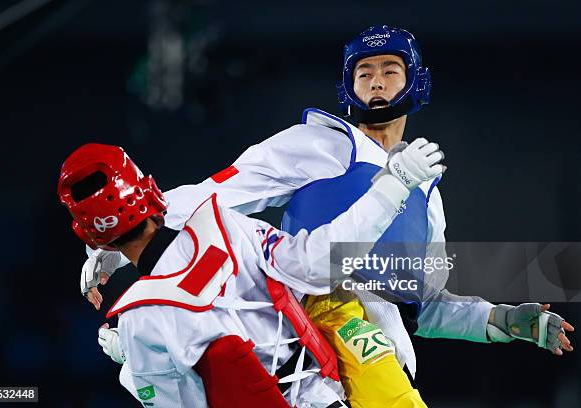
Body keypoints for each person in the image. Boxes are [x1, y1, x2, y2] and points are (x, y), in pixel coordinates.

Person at [86, 25, 573, 406]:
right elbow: (223, 188)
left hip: (386, 354)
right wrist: (126, 237)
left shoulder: (427, 193)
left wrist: (504, 319)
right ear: (349, 85)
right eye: (365, 72)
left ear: (415, 81)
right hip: (313, 324)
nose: (377, 80)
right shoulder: (324, 142)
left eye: (389, 69)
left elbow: (424, 306)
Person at [60, 140, 444, 407]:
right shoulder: (230, 229)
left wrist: (133, 362)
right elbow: (321, 261)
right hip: (337, 395)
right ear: (150, 191)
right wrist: (395, 186)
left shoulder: (139, 322)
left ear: (98, 240)